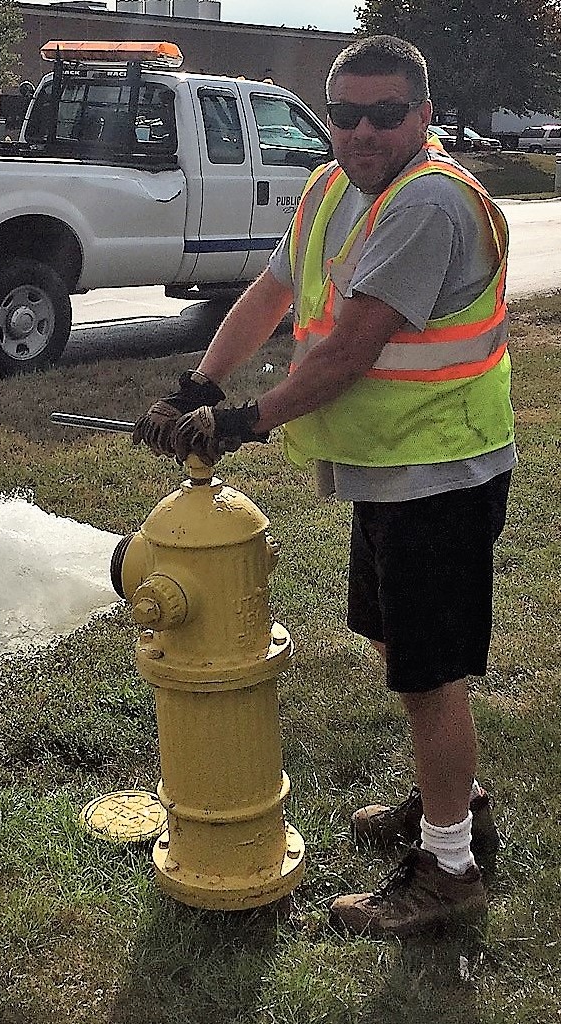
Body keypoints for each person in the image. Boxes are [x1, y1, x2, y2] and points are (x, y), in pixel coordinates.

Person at [133, 35, 514, 938]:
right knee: (394, 643)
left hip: (442, 473)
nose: (364, 132)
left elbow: (349, 350)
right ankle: (455, 806)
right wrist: (201, 384)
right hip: (390, 471)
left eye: (387, 115)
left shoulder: (428, 203)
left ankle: (451, 868)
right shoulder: (332, 188)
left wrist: (240, 423)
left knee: (429, 676)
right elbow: (269, 296)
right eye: (346, 115)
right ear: (329, 116)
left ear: (422, 117)